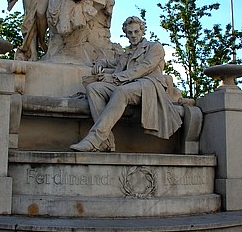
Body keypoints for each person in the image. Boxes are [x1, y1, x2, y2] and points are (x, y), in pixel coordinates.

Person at [70, 16, 182, 152]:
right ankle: (106, 142)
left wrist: (114, 78)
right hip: (128, 84)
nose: (133, 35)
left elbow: (143, 68)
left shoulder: (154, 47)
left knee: (121, 91)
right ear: (126, 34)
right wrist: (100, 63)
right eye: (130, 33)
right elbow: (110, 62)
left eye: (136, 32)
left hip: (148, 84)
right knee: (94, 88)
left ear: (142, 31)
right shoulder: (126, 54)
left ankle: (94, 139)